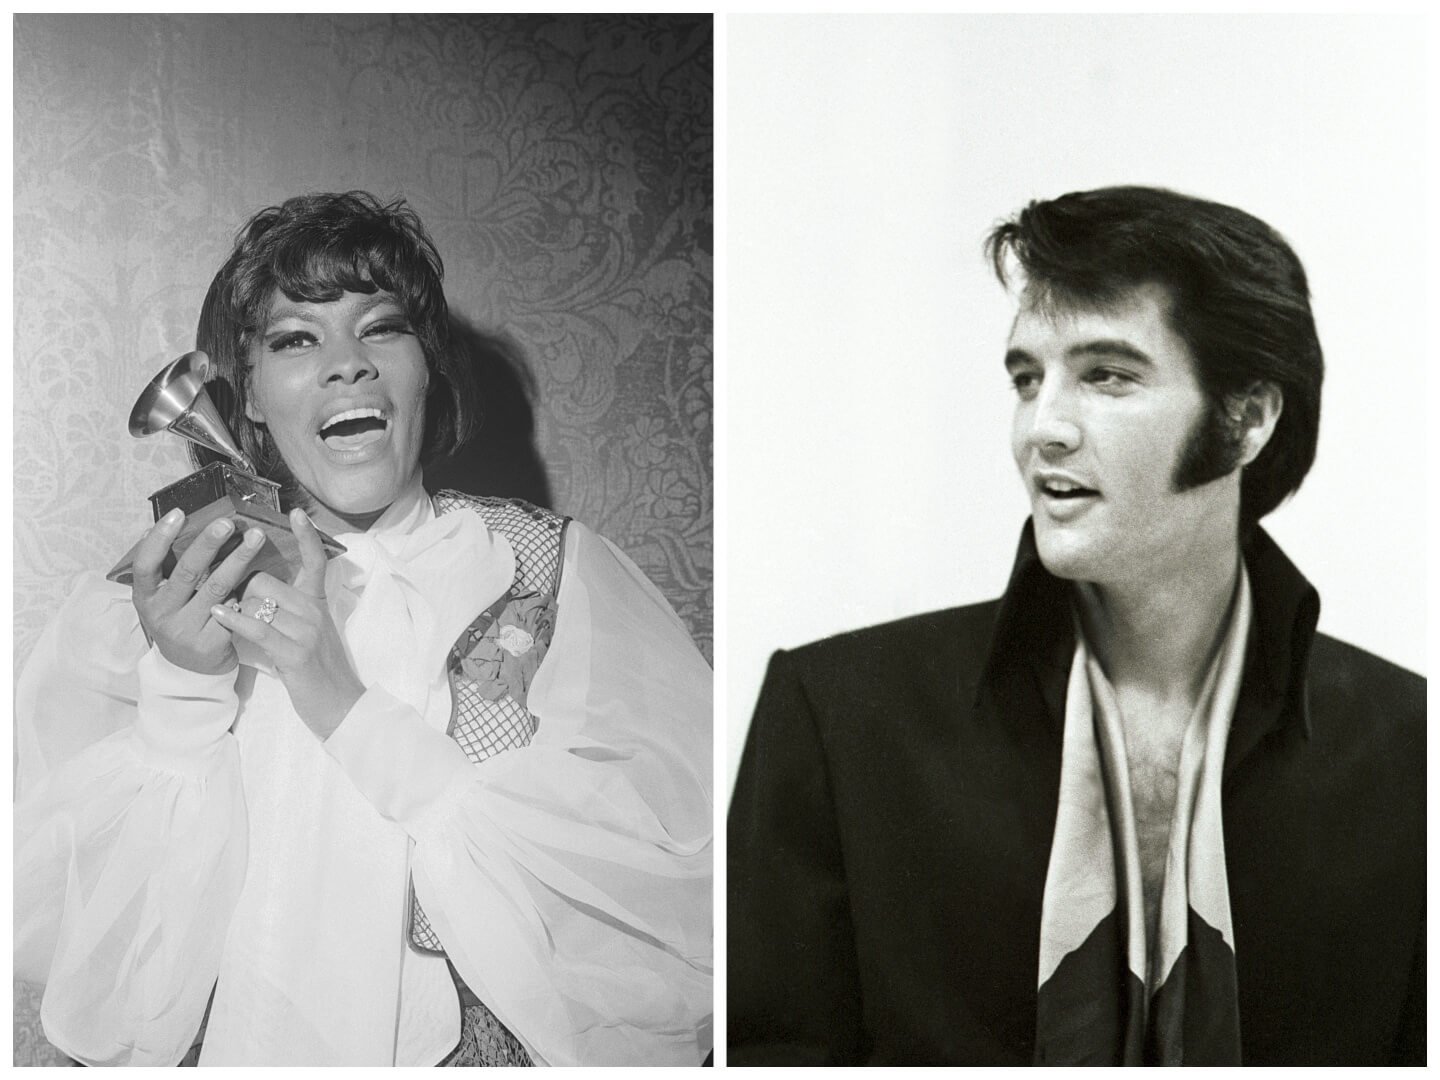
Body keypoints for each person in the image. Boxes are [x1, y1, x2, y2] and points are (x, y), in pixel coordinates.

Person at [728, 186, 1423, 1066]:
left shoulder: (1412, 753)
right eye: (1028, 379)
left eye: (1107, 375)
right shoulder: (839, 719)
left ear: (1246, 419)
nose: (1041, 430)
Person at [14, 191, 713, 1066]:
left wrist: (341, 702)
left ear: (427, 370)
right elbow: (108, 980)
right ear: (254, 401)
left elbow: (661, 919)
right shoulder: (155, 599)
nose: (347, 365)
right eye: (295, 339)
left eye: (382, 328)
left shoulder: (551, 572)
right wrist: (187, 691)